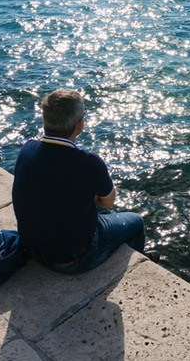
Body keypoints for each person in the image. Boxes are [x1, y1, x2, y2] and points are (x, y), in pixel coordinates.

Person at [12, 88, 156, 273]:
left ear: (45, 119)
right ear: (80, 124)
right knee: (136, 222)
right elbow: (109, 201)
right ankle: (139, 264)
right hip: (72, 261)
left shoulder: (27, 149)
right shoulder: (89, 162)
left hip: (31, 247)